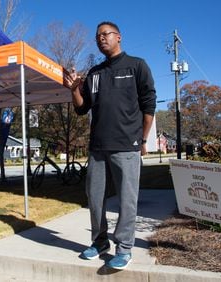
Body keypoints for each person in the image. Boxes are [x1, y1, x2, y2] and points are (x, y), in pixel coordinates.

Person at [65, 21, 156, 270]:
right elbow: (82, 108)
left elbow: (149, 105)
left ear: (119, 37)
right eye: (97, 37)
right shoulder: (94, 73)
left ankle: (124, 248)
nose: (101, 39)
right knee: (94, 198)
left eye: (105, 34)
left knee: (127, 200)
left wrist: (144, 140)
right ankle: (100, 241)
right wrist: (74, 90)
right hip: (97, 148)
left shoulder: (137, 65)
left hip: (127, 145)